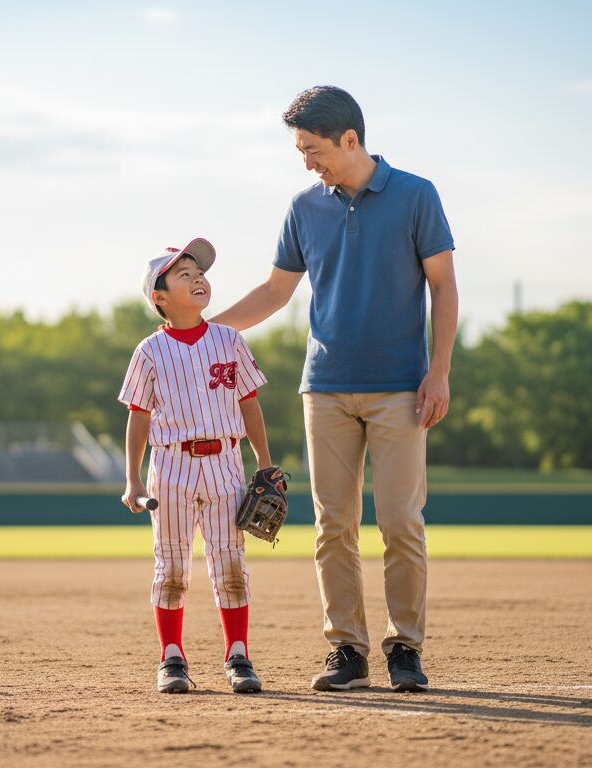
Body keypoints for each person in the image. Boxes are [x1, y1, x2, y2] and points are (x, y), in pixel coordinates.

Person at [211, 86, 458, 693]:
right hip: (323, 389)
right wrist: (202, 332)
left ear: (351, 140)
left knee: (401, 521)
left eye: (313, 148)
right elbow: (274, 293)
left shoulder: (416, 195)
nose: (307, 162)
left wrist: (440, 369)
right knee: (333, 525)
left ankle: (405, 648)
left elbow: (444, 287)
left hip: (402, 387)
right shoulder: (304, 207)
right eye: (300, 150)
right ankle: (347, 650)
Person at [118, 237, 274, 694]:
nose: (198, 278)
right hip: (171, 466)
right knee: (171, 568)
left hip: (225, 462)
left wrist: (264, 464)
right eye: (184, 274)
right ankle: (172, 658)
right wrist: (131, 477)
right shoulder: (149, 351)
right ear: (160, 298)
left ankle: (238, 654)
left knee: (230, 563)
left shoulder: (229, 340)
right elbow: (138, 416)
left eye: (199, 272)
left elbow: (249, 403)